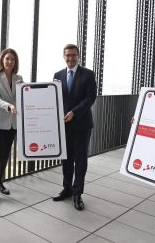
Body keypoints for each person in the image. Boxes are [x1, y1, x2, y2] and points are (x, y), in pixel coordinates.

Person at [52, 44, 97, 211]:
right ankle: (67, 189)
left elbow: (91, 97)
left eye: (73, 55)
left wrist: (74, 112)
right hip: (64, 124)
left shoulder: (88, 74)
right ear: (63, 56)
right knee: (66, 159)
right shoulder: (58, 75)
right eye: (67, 55)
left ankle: (78, 193)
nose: (70, 58)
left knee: (80, 160)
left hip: (81, 124)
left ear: (78, 56)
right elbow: (55, 98)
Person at [0, 48, 23, 206]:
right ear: (2, 60)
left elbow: (24, 95)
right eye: (7, 58)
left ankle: (0, 182)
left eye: (12, 59)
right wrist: (8, 106)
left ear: (15, 62)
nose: (10, 62)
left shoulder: (19, 78)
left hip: (12, 123)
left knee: (5, 155)